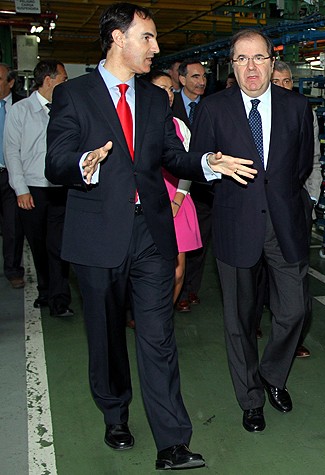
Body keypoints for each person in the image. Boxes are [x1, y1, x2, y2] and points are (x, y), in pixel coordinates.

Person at [45, 3, 255, 470]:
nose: (156, 47)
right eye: (147, 37)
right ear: (118, 38)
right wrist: (83, 163)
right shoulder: (73, 95)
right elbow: (55, 161)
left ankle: (173, 442)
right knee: (106, 337)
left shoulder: (156, 99)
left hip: (151, 234)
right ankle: (115, 413)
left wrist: (207, 162)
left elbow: (173, 157)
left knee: (158, 338)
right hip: (98, 234)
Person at [190, 29, 314, 434]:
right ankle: (250, 398)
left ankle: (272, 374)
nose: (251, 67)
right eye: (242, 59)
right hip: (236, 224)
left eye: (259, 57)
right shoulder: (213, 108)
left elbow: (301, 166)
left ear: (272, 62)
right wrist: (213, 166)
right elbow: (197, 163)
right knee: (239, 320)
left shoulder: (297, 107)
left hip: (285, 225)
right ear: (232, 66)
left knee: (294, 310)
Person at [258, 59, 321, 358]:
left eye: (288, 82)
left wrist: (311, 199)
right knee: (260, 275)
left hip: (295, 205)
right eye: (277, 82)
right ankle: (256, 321)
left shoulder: (303, 110)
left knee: (295, 277)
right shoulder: (258, 111)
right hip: (258, 210)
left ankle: (293, 339)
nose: (284, 87)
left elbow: (313, 158)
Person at [4, 59, 73, 317]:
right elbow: (11, 152)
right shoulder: (20, 111)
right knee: (39, 245)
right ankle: (45, 291)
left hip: (61, 188)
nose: (66, 83)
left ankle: (59, 300)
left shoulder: (66, 109)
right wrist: (20, 189)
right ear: (48, 80)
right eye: (63, 79)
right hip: (32, 190)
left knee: (59, 246)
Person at [148, 70, 202, 310]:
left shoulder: (179, 126)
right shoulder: (137, 124)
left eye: (170, 89)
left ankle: (163, 315)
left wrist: (177, 200)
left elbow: (188, 167)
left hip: (177, 200)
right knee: (150, 269)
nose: (168, 94)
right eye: (162, 89)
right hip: (148, 202)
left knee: (177, 271)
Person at [171, 59, 211, 313]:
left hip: (204, 186)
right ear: (182, 79)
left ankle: (192, 287)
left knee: (200, 241)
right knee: (178, 244)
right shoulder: (169, 105)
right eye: (195, 76)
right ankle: (180, 292)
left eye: (204, 76)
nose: (201, 81)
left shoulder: (211, 106)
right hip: (176, 184)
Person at [0, 63, 25, 290]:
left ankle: (13, 270)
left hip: (11, 173)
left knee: (12, 226)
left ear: (10, 82)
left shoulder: (22, 106)